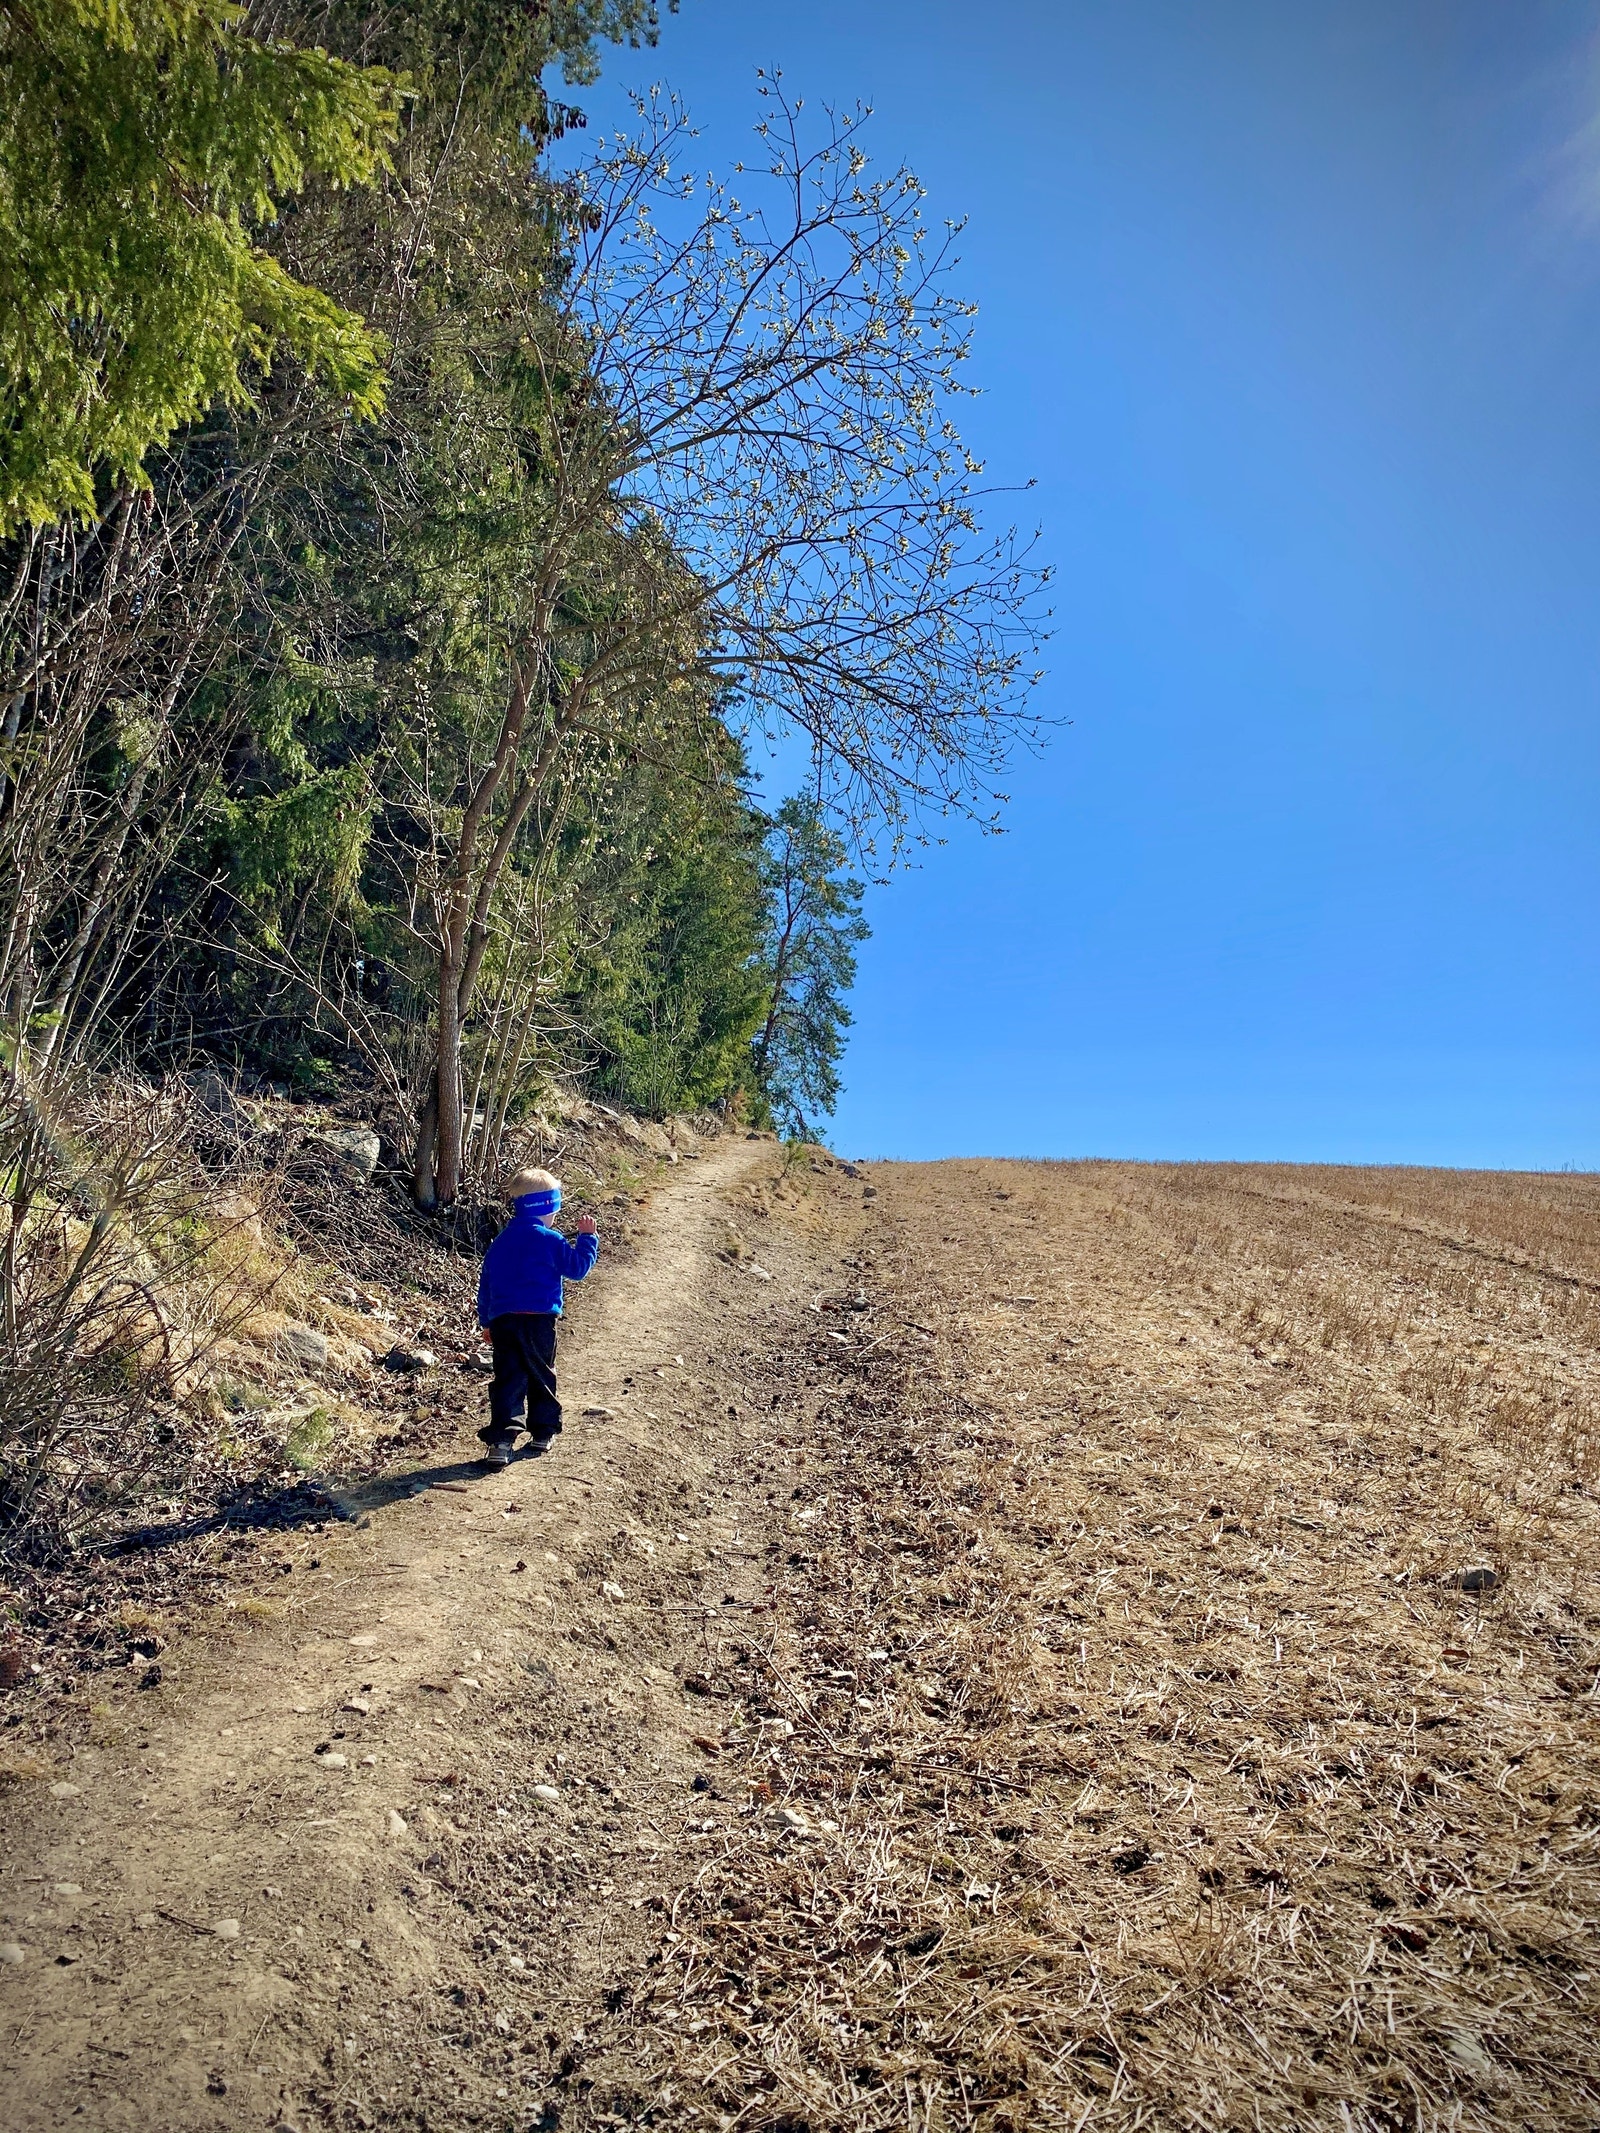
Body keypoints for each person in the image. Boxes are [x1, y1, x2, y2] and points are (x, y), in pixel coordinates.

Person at [476, 1167, 599, 1469]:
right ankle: (543, 1433)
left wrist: (487, 1322)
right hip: (539, 1320)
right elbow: (578, 1269)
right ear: (549, 1206)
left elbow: (487, 1283)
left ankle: (501, 1443)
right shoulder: (551, 1239)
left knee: (508, 1379)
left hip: (504, 1321)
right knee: (542, 1374)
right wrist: (587, 1239)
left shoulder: (501, 1241)